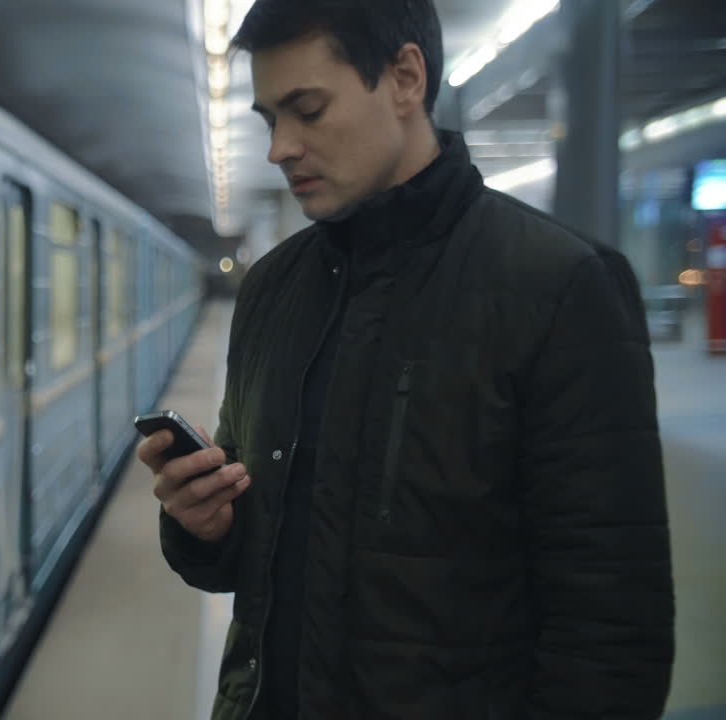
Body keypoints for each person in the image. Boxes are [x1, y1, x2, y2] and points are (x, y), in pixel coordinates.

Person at [137, 1, 675, 717]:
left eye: (308, 110)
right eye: (270, 120)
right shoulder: (272, 292)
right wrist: (207, 528)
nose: (280, 148)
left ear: (404, 78)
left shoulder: (560, 287)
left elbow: (610, 627)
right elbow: (258, 560)